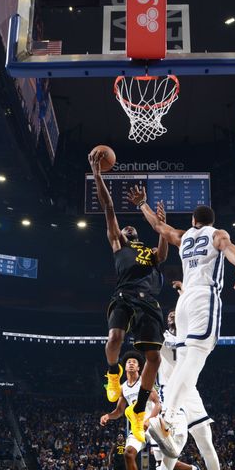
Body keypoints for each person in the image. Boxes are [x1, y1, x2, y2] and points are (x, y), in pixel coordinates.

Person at [127, 188, 235, 470]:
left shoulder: (184, 235)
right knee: (200, 350)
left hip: (187, 315)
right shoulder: (217, 234)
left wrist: (142, 205)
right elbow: (229, 246)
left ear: (193, 222)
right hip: (201, 300)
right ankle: (163, 425)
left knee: (202, 440)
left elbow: (159, 229)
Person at [89, 149, 168, 444]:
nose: (128, 227)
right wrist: (97, 175)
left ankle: (138, 409)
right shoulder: (118, 242)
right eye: (125, 226)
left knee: (154, 358)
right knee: (114, 340)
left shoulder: (148, 252)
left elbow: (162, 253)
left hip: (148, 300)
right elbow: (108, 206)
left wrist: (161, 226)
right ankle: (112, 372)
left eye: (131, 227)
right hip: (123, 296)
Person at [159, 304, 234, 470]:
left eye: (177, 312)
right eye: (170, 313)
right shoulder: (161, 336)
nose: (173, 314)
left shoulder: (191, 336)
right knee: (177, 439)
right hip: (171, 391)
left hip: (191, 391)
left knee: (206, 443)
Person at [100, 351, 162, 470]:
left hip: (152, 424)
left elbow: (158, 404)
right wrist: (108, 416)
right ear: (125, 367)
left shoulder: (145, 381)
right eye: (129, 362)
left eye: (135, 361)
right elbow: (119, 411)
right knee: (128, 453)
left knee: (166, 459)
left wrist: (149, 420)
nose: (131, 363)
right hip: (137, 427)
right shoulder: (122, 388)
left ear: (139, 367)